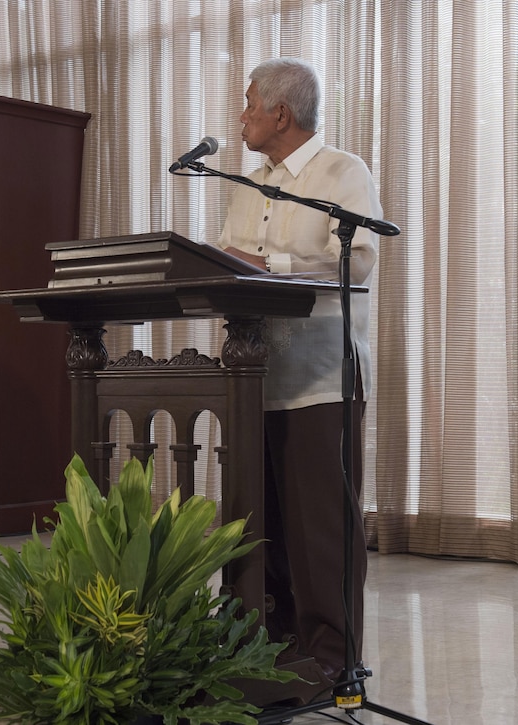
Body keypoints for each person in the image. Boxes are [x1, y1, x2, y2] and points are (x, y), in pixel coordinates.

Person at [214, 58, 379, 694]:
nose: (242, 116)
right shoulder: (245, 185)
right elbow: (226, 265)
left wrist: (264, 263)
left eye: (250, 104)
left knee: (321, 534)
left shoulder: (341, 173)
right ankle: (271, 651)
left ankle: (333, 660)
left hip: (319, 382)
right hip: (251, 379)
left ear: (281, 113)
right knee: (265, 528)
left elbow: (358, 263)